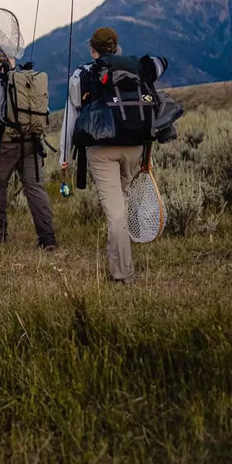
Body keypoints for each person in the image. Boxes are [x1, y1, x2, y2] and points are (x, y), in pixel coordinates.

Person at [58, 27, 165, 284]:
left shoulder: (83, 74)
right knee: (122, 204)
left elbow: (72, 115)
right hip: (135, 146)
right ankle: (117, 261)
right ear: (116, 48)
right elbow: (160, 66)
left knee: (115, 212)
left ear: (92, 49)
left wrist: (65, 156)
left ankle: (123, 273)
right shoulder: (135, 68)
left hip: (102, 149)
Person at [0, 53, 57, 249]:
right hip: (32, 141)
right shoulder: (27, 82)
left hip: (7, 144)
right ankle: (48, 239)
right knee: (35, 188)